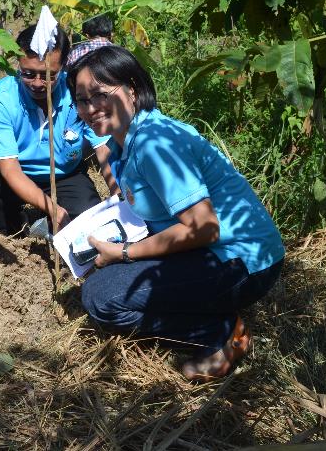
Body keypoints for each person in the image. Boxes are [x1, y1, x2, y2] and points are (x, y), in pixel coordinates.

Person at [68, 46, 284, 381]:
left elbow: (204, 228)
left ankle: (220, 333)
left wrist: (125, 253)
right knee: (104, 284)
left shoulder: (154, 143)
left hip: (239, 260)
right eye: (81, 100)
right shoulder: (128, 141)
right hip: (217, 253)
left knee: (101, 298)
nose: (90, 108)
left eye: (99, 94)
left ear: (133, 88)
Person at [0, 24, 117, 234]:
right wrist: (53, 209)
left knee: (88, 227)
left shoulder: (78, 92)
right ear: (18, 64)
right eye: (28, 74)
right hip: (17, 174)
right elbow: (10, 168)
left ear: (64, 66)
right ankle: (11, 226)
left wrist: (117, 193)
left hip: (64, 174)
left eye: (49, 75)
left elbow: (102, 148)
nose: (38, 83)